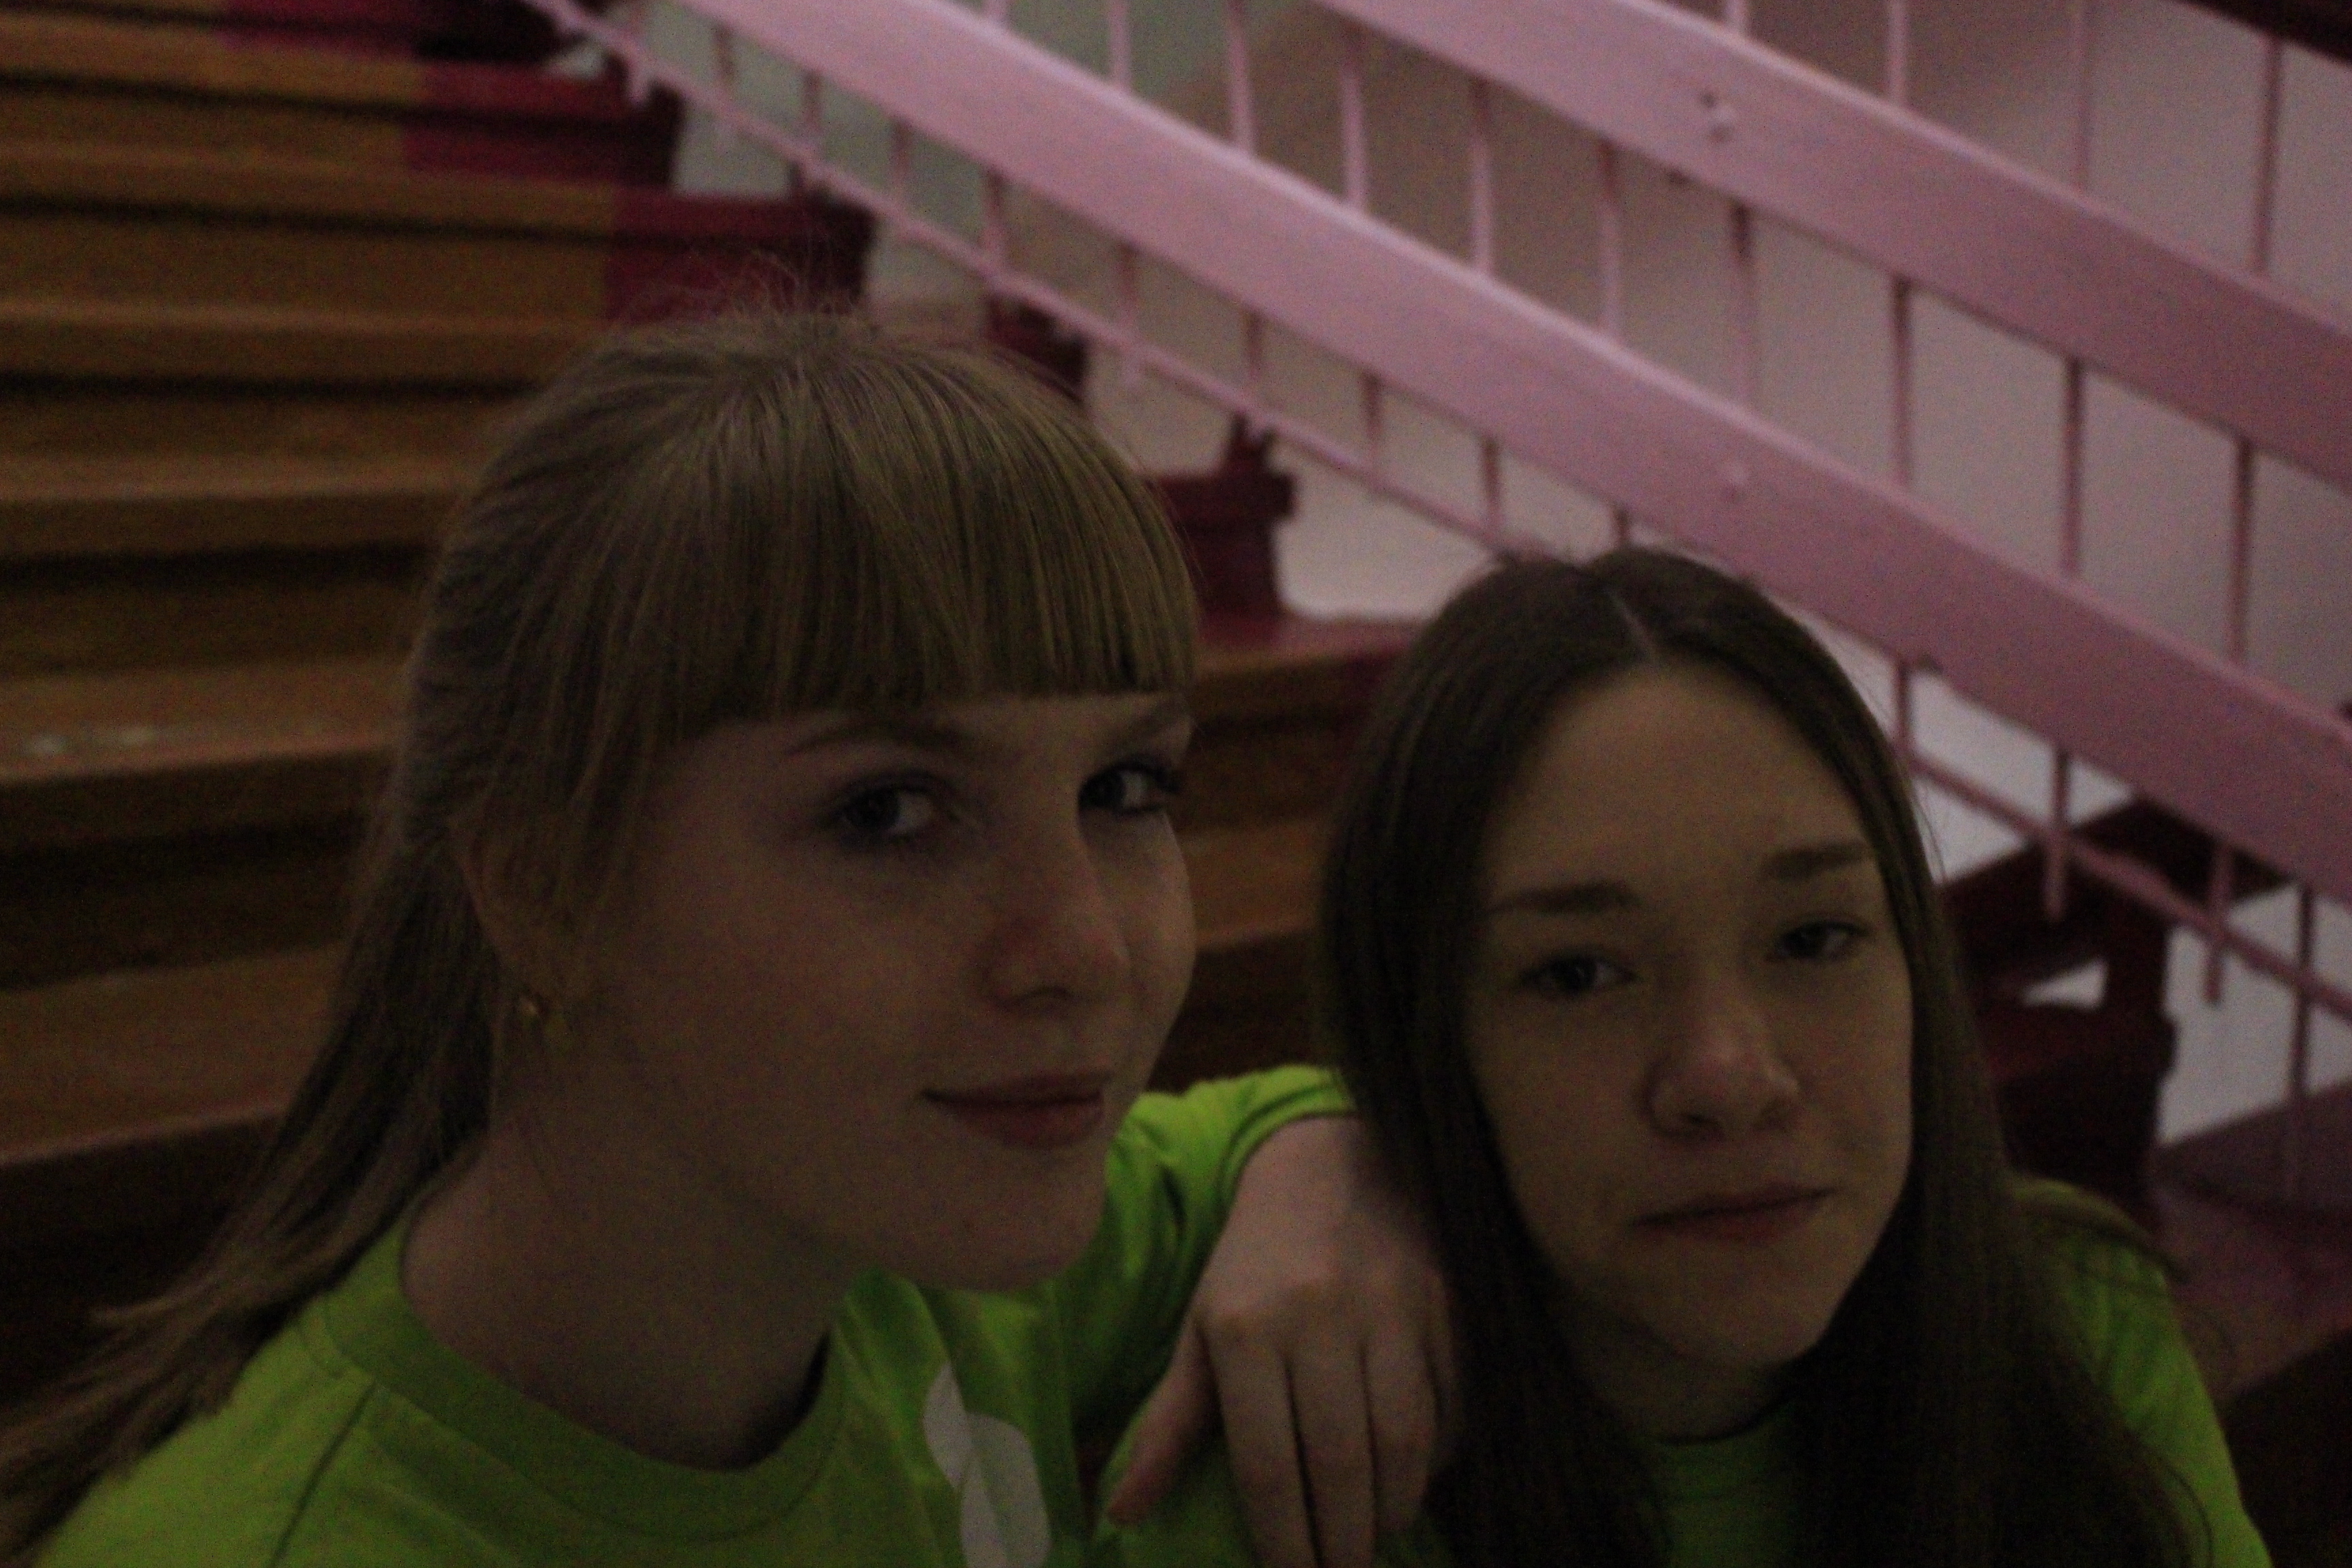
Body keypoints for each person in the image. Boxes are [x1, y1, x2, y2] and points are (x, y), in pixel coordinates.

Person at [0, 314, 1446, 1568]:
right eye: (889, 811)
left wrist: (1330, 1183)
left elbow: (1261, 1128)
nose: (1086, 949)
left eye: (1124, 788)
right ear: (546, 888)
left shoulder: (912, 1252)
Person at [1098, 549, 2270, 1567]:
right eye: (1579, 974)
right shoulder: (1307, 1478)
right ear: (1432, 1035)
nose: (1730, 1079)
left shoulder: (2074, 1331)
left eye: (1814, 940)